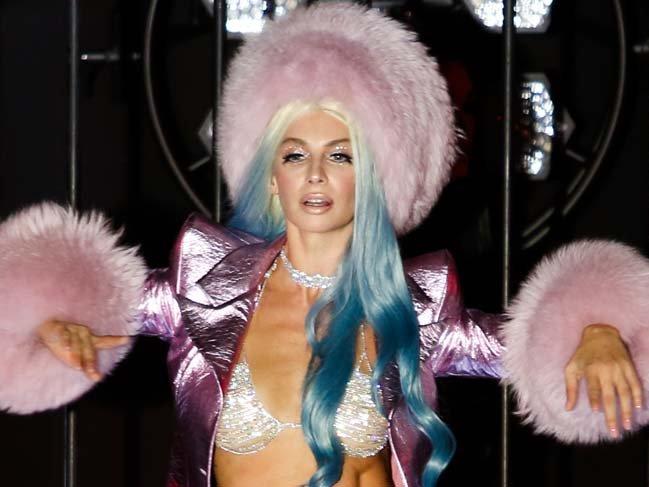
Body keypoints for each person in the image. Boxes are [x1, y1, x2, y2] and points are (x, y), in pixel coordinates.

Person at [1, 4, 649, 487]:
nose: (315, 174)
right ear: (271, 176)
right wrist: (49, 324)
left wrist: (598, 330)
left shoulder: (415, 310)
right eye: (294, 154)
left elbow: (534, 349)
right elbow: (74, 305)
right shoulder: (201, 287)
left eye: (340, 154)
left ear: (377, 175)